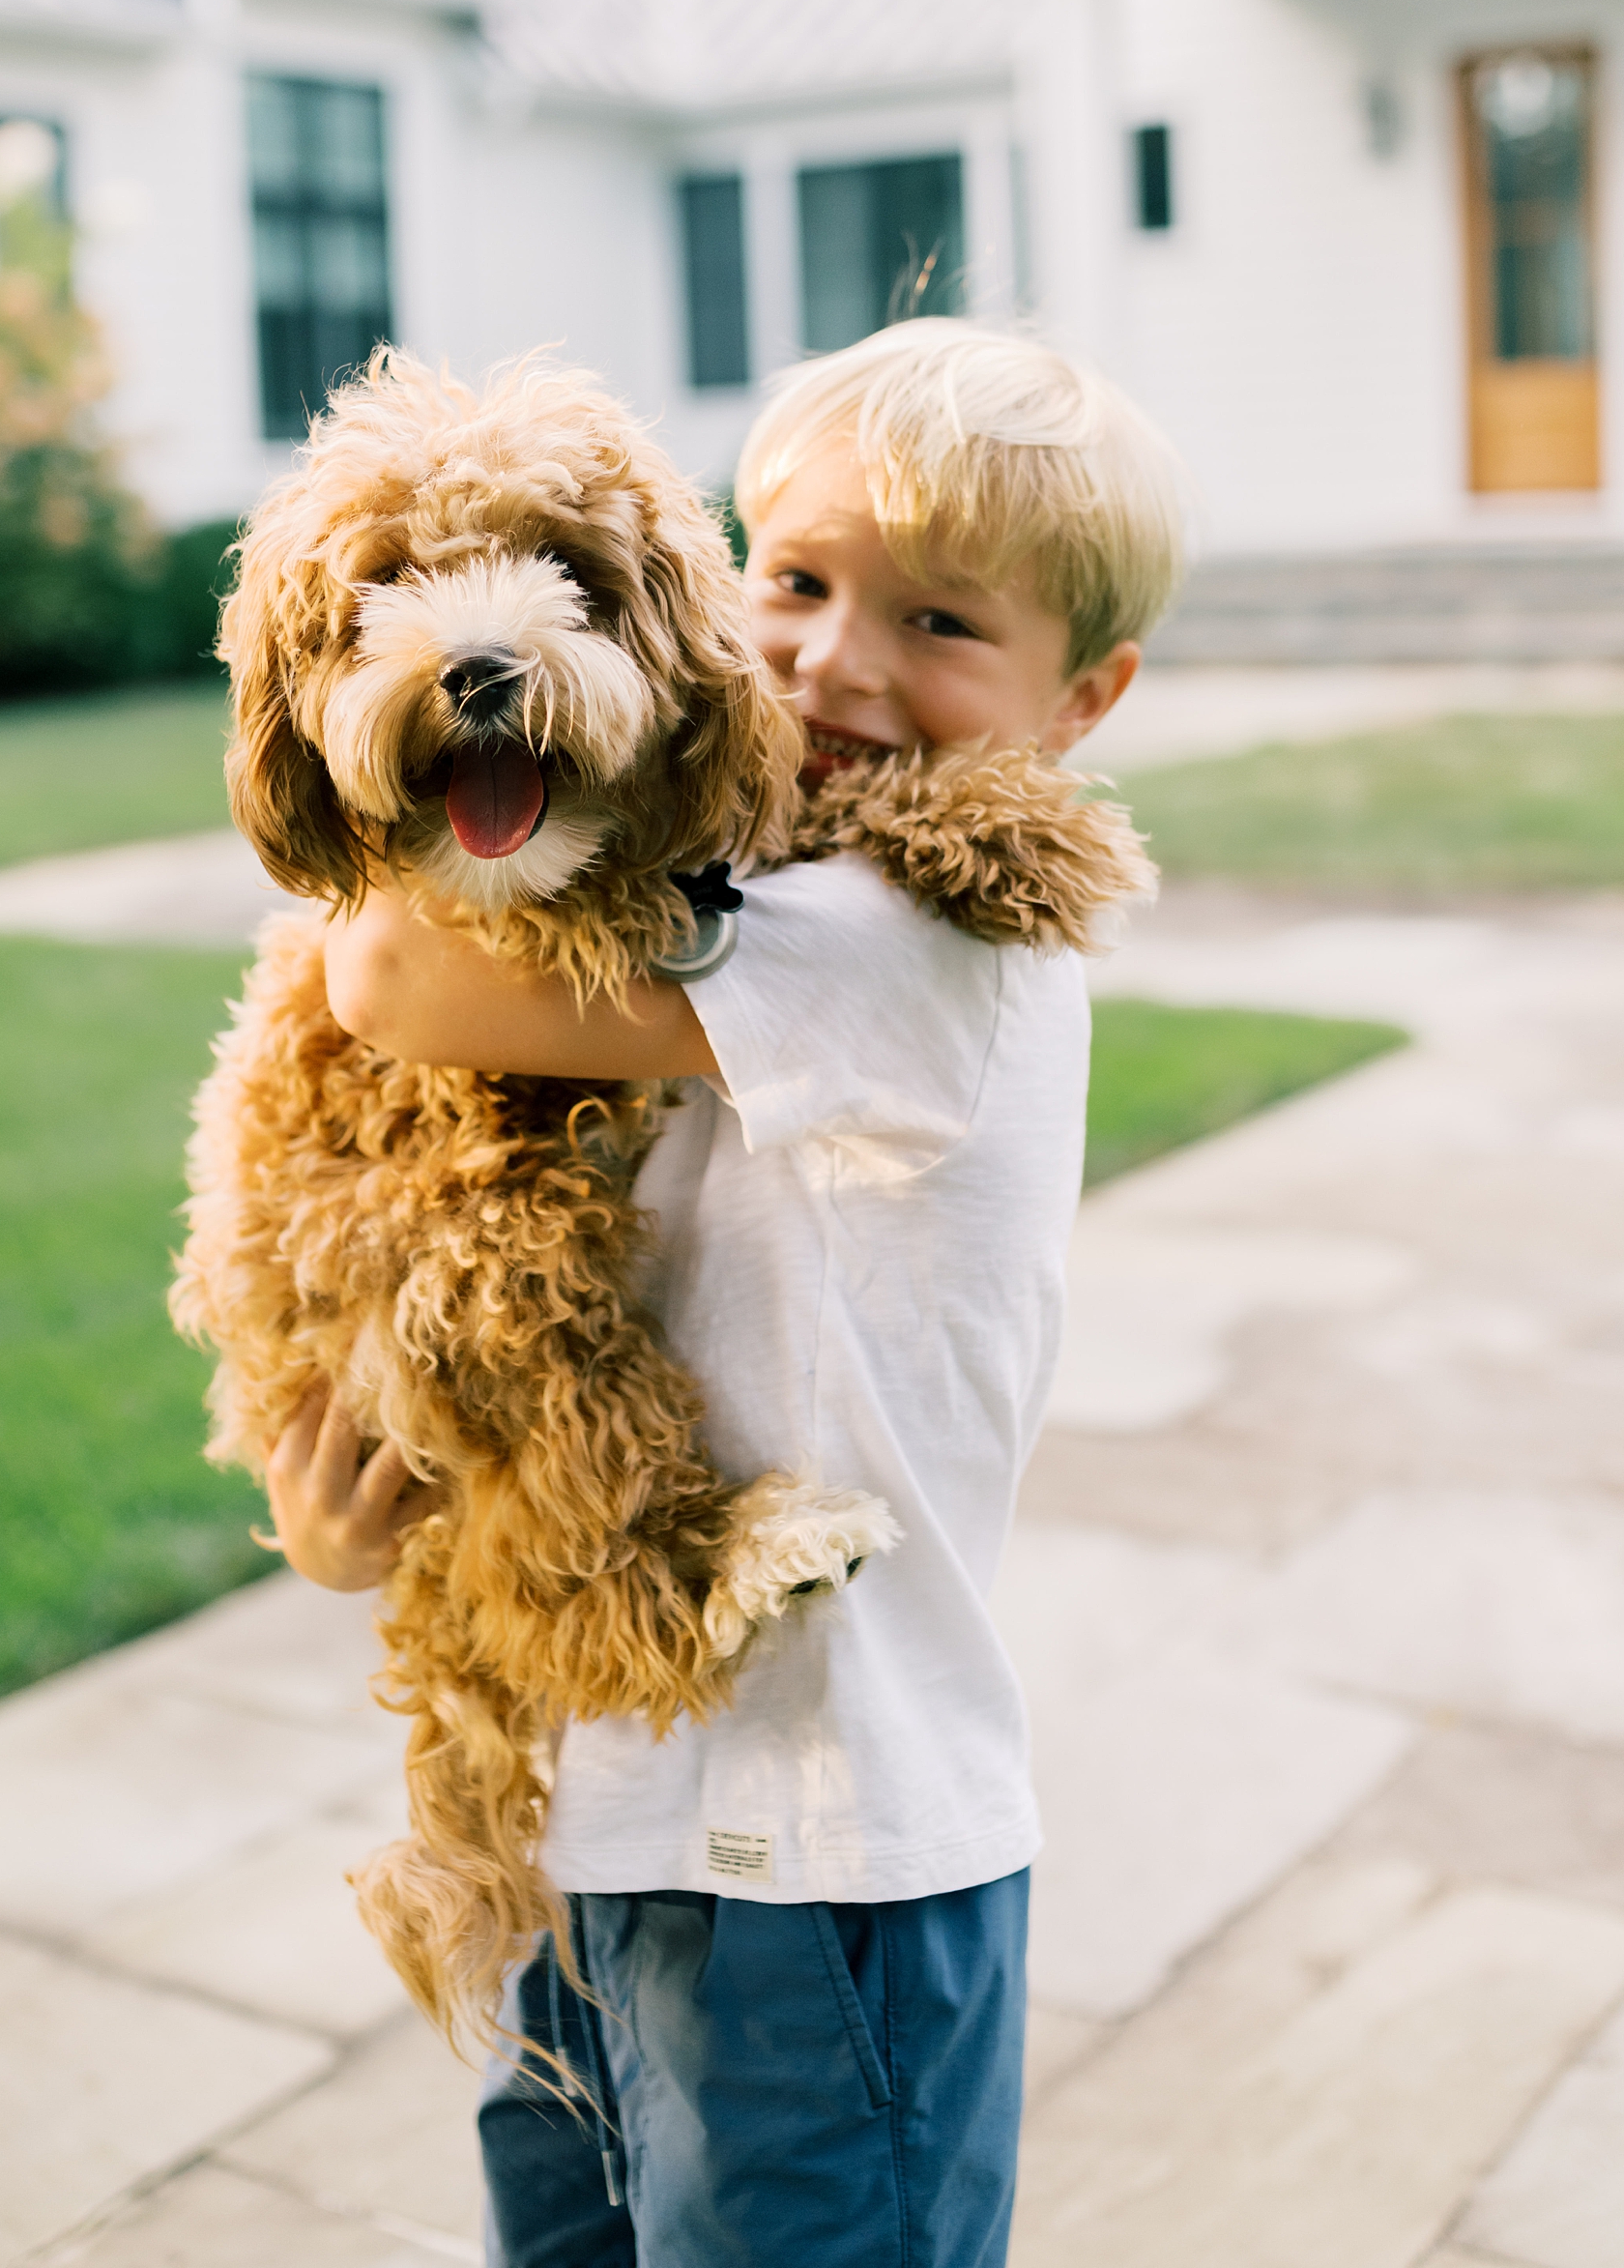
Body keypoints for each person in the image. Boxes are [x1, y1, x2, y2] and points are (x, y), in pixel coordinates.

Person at [266, 318, 1186, 2266]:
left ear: (1081, 695)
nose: (834, 660)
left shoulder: (928, 943)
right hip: (581, 1816)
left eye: (940, 624)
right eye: (790, 581)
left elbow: (388, 980)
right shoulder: (745, 897)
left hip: (812, 1846)